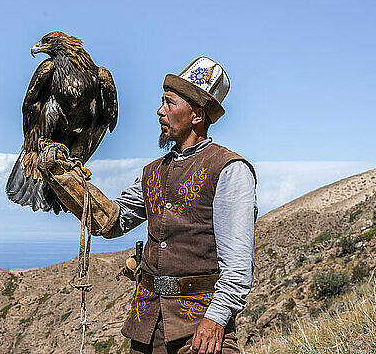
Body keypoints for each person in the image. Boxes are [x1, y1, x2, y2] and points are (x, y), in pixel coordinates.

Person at [38, 57, 257, 354]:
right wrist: (64, 179)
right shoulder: (152, 172)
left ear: (196, 115)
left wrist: (216, 319)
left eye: (169, 103)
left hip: (201, 329)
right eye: (162, 102)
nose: (159, 111)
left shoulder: (229, 169)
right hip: (146, 325)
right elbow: (110, 221)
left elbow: (237, 266)